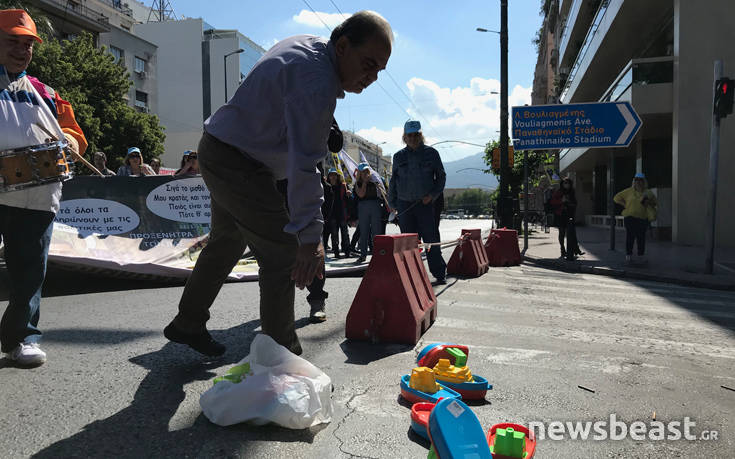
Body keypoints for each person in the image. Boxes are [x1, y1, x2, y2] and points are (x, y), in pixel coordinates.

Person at [163, 11, 393, 356]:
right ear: (343, 46)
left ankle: (187, 322)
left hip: (221, 148)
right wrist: (311, 239)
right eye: (368, 64)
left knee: (225, 244)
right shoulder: (317, 84)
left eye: (379, 70)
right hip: (238, 161)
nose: (371, 77)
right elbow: (304, 166)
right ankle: (282, 359)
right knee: (284, 255)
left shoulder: (312, 47)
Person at [0, 9, 88, 366]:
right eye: (12, 41)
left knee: (30, 270)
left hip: (35, 195)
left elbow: (75, 134)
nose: (22, 50)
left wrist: (68, 139)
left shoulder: (45, 92)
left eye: (28, 44)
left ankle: (21, 336)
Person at [388, 120, 447, 284]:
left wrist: (433, 195)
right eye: (410, 135)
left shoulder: (432, 154)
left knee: (430, 240)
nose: (413, 138)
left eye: (416, 135)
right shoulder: (398, 157)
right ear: (404, 137)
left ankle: (439, 273)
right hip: (404, 205)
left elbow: (441, 177)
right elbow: (394, 181)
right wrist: (391, 203)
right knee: (408, 243)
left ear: (421, 136)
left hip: (425, 205)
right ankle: (411, 276)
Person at [614, 172, 657, 264]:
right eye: (636, 180)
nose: (638, 182)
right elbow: (616, 198)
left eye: (640, 180)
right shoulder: (628, 191)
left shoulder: (648, 192)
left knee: (641, 238)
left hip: (642, 218)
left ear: (644, 181)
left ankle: (641, 256)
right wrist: (625, 204)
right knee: (630, 236)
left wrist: (648, 202)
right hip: (630, 218)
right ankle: (628, 255)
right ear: (634, 181)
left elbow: (655, 203)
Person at [354, 163, 384, 263]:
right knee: (364, 231)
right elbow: (361, 195)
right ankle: (363, 255)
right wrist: (365, 183)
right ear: (359, 173)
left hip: (375, 205)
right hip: (363, 207)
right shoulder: (358, 183)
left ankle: (377, 255)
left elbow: (383, 194)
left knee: (376, 232)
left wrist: (377, 184)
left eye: (366, 171)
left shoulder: (375, 181)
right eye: (362, 172)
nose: (365, 174)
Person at [550, 177, 582, 260]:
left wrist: (571, 204)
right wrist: (562, 201)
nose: (566, 185)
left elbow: (575, 203)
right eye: (565, 183)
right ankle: (562, 249)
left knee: (571, 233)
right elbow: (553, 202)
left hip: (569, 215)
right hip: (560, 215)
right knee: (562, 233)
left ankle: (575, 249)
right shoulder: (559, 192)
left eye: (568, 183)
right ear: (562, 184)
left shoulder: (572, 192)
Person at [327, 168, 351, 258]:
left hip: (342, 213)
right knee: (334, 234)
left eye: (334, 175)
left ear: (337, 176)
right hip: (332, 214)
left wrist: (349, 194)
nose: (333, 177)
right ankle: (336, 252)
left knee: (345, 233)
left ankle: (347, 251)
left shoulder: (343, 186)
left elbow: (348, 199)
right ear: (329, 176)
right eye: (331, 175)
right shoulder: (327, 186)